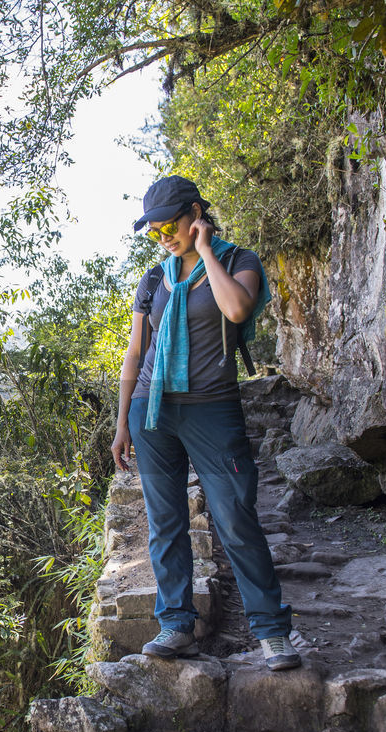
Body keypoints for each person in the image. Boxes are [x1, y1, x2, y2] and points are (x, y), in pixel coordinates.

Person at [110, 175, 299, 671]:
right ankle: (176, 624)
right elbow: (136, 352)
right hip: (152, 412)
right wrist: (121, 422)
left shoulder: (239, 262)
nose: (164, 238)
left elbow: (236, 309)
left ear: (195, 212)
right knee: (165, 524)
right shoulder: (153, 279)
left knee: (236, 519)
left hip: (212, 407)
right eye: (154, 232)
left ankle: (272, 632)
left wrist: (206, 251)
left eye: (169, 226)